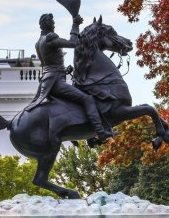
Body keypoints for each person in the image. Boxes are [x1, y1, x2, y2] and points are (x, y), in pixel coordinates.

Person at [25, 12, 114, 141]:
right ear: (47, 24)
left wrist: (64, 70)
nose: (54, 24)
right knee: (87, 98)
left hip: (49, 79)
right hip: (55, 82)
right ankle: (100, 132)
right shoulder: (50, 38)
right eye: (52, 21)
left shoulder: (39, 42)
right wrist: (75, 24)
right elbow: (73, 43)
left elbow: (51, 64)